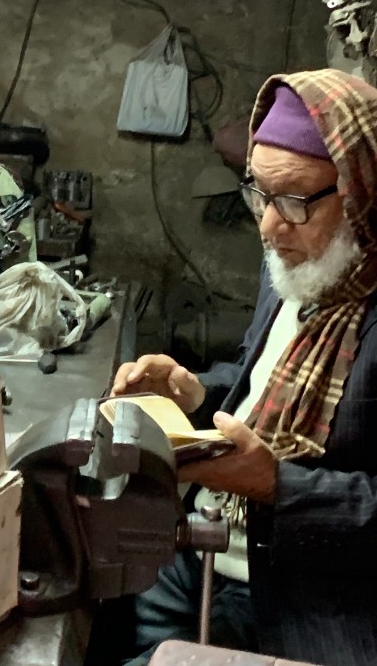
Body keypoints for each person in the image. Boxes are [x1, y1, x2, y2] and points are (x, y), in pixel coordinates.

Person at [115, 69, 377, 666]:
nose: (268, 226)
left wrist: (276, 485)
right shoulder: (292, 262)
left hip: (294, 593)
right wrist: (193, 393)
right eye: (259, 192)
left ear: (362, 192)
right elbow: (256, 382)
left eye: (295, 200)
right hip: (200, 541)